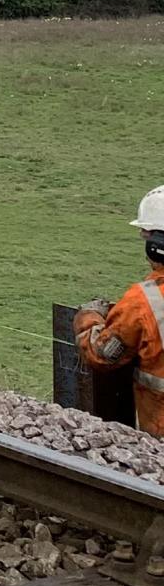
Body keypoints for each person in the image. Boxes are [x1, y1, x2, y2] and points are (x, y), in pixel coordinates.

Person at [74, 185, 164, 437]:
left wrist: (88, 318)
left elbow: (101, 354)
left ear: (158, 245)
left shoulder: (144, 301)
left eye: (146, 236)